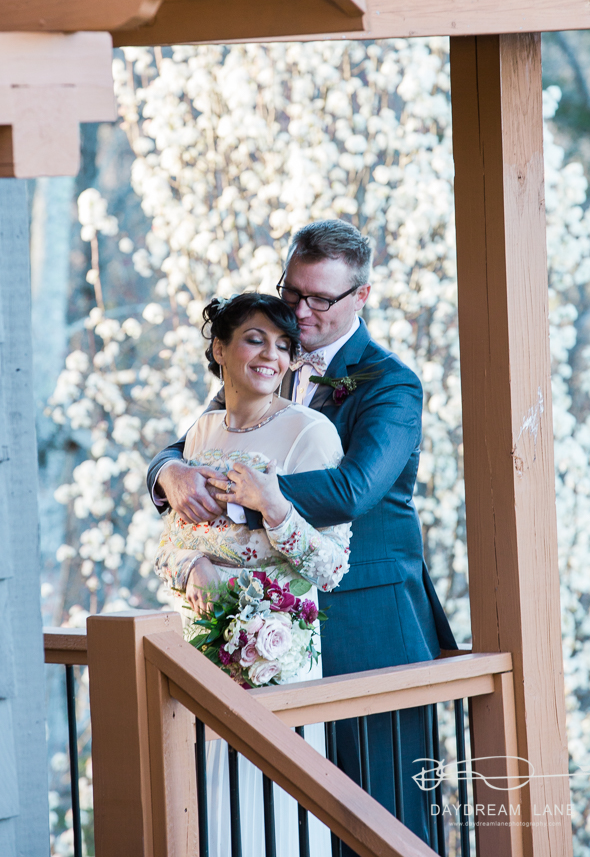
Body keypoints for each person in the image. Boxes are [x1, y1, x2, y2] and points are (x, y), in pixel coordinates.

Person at [148, 219, 457, 852]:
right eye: (291, 292)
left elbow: (353, 491)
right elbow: (200, 441)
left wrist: (239, 498)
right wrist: (168, 472)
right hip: (266, 636)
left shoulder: (390, 383)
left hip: (369, 627)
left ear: (361, 296)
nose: (300, 311)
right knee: (284, 820)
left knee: (385, 817)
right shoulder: (266, 360)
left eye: (320, 298)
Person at [153, 291, 351, 857]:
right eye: (254, 339)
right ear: (220, 348)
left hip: (276, 655)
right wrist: (192, 565)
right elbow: (169, 545)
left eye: (284, 345)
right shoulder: (200, 434)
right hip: (201, 648)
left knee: (273, 812)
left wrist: (275, 506)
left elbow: (332, 568)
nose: (271, 355)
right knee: (209, 805)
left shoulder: (309, 432)